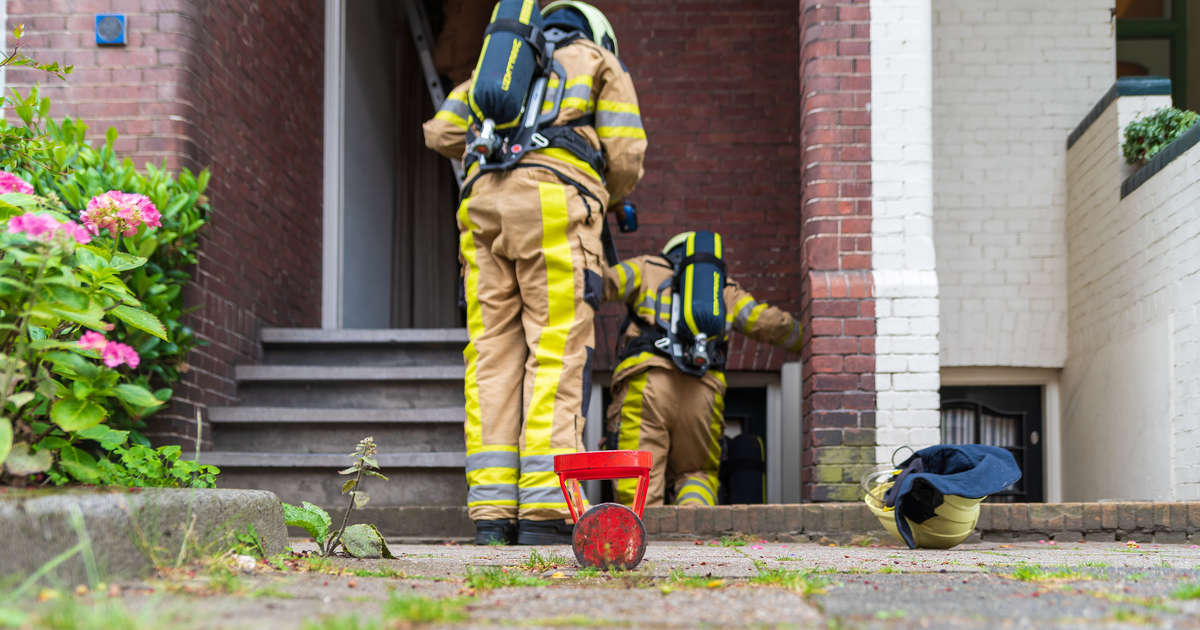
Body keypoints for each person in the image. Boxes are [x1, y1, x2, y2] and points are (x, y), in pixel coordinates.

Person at [423, 0, 647, 545]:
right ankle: (547, 509)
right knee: (555, 351)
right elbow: (627, 157)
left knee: (492, 357)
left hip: (481, 209)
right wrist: (604, 194)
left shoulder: (498, 67)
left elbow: (441, 132)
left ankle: (492, 513)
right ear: (597, 33)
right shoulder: (596, 61)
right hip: (553, 206)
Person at [603, 232, 803, 507]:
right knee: (697, 474)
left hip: (647, 384)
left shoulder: (645, 267)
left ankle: (641, 541)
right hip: (702, 390)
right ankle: (690, 541)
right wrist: (811, 337)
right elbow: (765, 321)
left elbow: (603, 284)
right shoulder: (722, 287)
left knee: (637, 474)